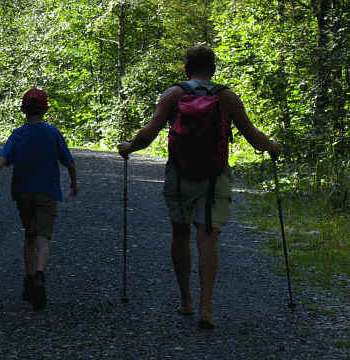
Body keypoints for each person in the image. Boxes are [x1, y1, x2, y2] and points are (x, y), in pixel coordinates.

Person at [118, 46, 282, 329]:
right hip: (215, 176)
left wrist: (128, 147)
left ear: (186, 67)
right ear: (213, 68)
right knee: (208, 238)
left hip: (180, 175)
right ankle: (206, 308)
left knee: (180, 234)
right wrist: (273, 147)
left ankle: (186, 301)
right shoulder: (227, 97)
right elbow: (253, 136)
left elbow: (149, 133)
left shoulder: (174, 95)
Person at [0, 88, 79, 311]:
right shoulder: (53, 133)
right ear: (45, 110)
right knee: (43, 237)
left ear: (24, 110)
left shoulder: (18, 134)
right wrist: (74, 183)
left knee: (30, 235)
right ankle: (40, 274)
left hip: (23, 191)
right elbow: (69, 162)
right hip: (47, 191)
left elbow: (3, 158)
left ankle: (28, 280)